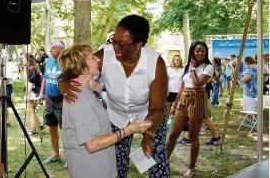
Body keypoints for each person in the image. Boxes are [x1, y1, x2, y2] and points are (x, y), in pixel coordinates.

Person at [59, 15, 170, 177]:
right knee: (114, 164)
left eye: (121, 44)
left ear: (138, 45)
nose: (115, 47)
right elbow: (73, 68)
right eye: (114, 41)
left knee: (158, 164)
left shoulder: (155, 63)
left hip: (149, 116)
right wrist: (64, 86)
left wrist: (149, 134)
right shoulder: (105, 55)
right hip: (116, 116)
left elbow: (157, 107)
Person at [58, 44, 152, 178]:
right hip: (90, 171)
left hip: (100, 167)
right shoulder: (78, 97)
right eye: (92, 57)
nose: (97, 60)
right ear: (81, 66)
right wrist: (129, 130)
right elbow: (92, 144)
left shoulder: (85, 91)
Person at [167, 41, 214, 178]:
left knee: (193, 136)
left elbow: (198, 84)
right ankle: (164, 161)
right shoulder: (187, 66)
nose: (200, 53)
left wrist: (193, 69)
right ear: (192, 52)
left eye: (203, 51)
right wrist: (175, 105)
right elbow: (182, 87)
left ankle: (192, 168)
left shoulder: (208, 67)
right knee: (173, 133)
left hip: (197, 98)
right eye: (197, 50)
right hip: (183, 99)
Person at [39, 40, 65, 164]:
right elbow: (45, 78)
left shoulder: (67, 62)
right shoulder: (49, 61)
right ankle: (56, 155)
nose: (50, 51)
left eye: (53, 48)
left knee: (66, 130)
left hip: (63, 100)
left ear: (61, 49)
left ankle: (71, 157)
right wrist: (41, 93)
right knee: (51, 127)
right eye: (50, 48)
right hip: (49, 99)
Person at [24, 53, 43, 135]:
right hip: (35, 91)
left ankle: (33, 130)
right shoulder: (32, 68)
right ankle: (41, 123)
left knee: (31, 111)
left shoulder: (32, 69)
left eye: (24, 58)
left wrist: (28, 95)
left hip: (34, 92)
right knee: (30, 111)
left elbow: (31, 83)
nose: (22, 60)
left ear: (28, 59)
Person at [167, 55, 184, 120]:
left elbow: (184, 80)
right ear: (173, 61)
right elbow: (167, 79)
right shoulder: (169, 69)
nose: (178, 61)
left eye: (179, 60)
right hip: (170, 90)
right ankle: (167, 121)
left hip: (179, 91)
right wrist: (166, 90)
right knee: (168, 105)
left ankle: (174, 120)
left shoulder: (182, 69)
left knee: (177, 106)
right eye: (177, 60)